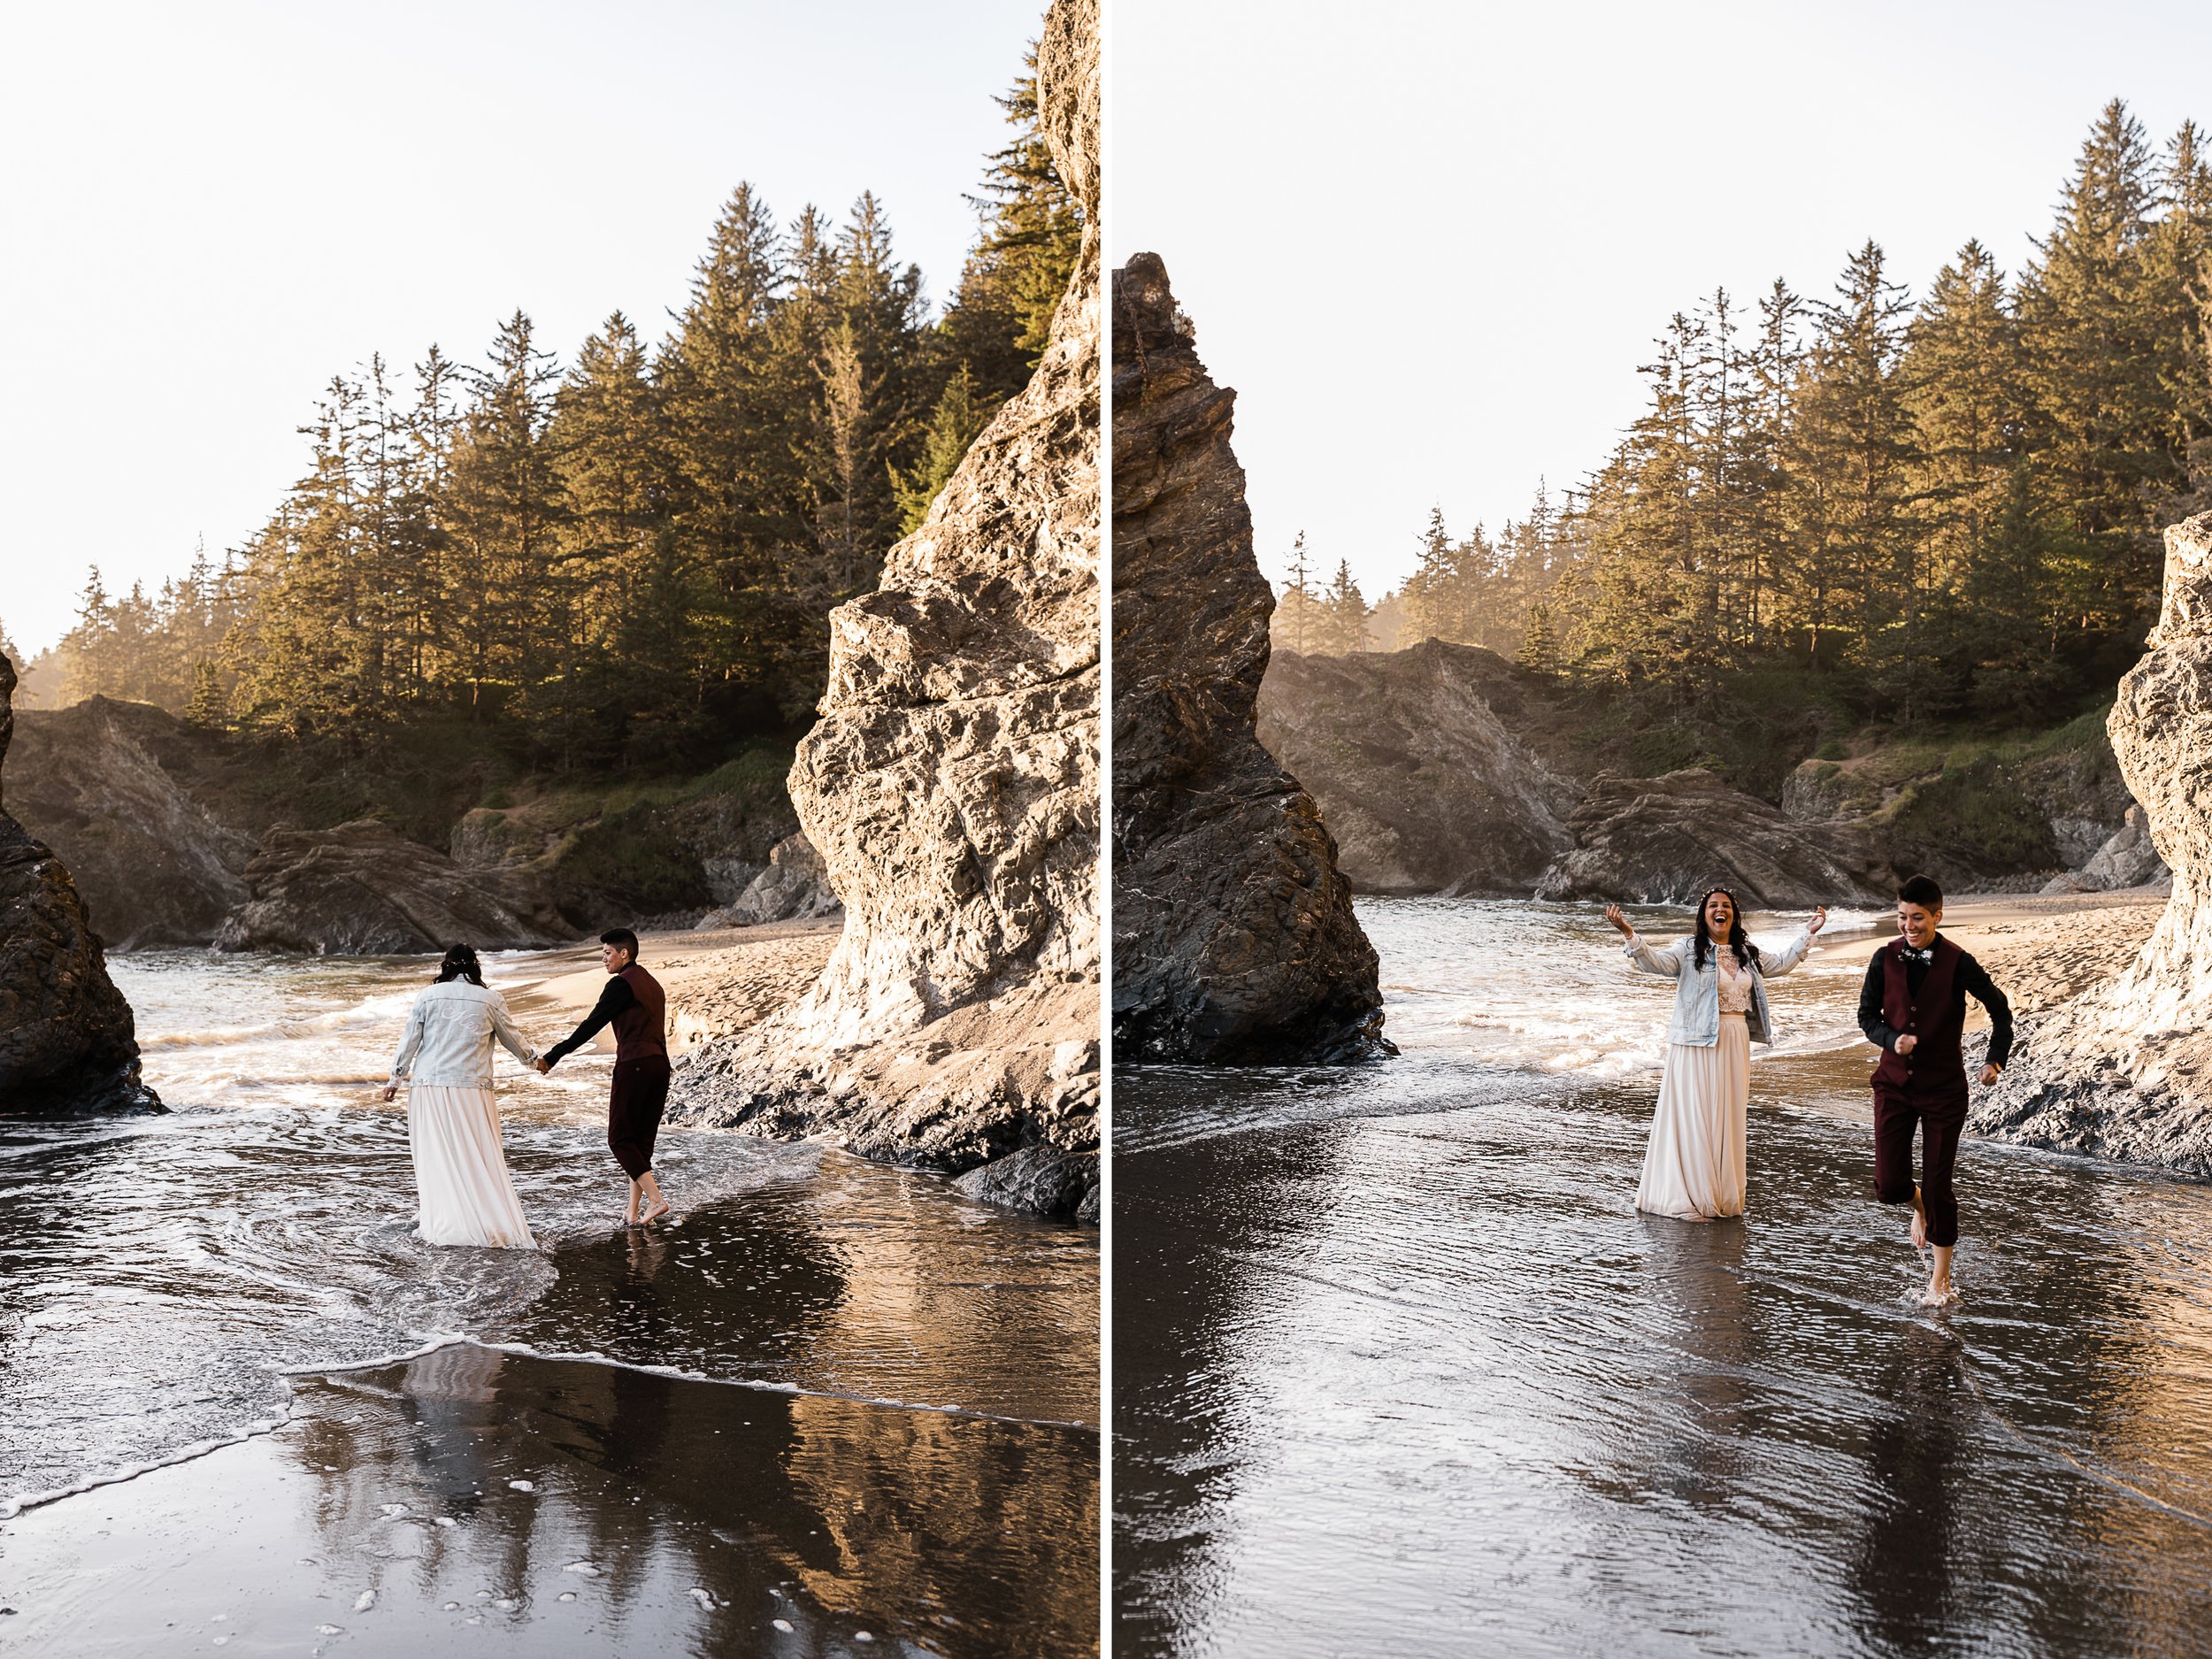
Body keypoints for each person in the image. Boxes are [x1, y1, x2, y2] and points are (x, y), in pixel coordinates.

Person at [1606, 889, 1827, 1220]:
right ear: (1704, 914)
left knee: (1727, 1116)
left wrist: (1807, 934)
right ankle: (1690, 1195)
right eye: (1713, 906)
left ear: (1734, 915)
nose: (1720, 910)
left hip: (1735, 1042)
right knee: (1697, 1115)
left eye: (1726, 906)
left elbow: (1780, 964)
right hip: (1695, 1043)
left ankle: (1720, 1193)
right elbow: (1657, 964)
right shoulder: (1688, 949)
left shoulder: (1747, 954)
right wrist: (1629, 933)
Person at [1856, 873, 2011, 1306]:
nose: (1908, 925)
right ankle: (1917, 1207)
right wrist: (1892, 1040)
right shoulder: (1882, 958)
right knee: (1889, 1186)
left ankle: (1939, 1281)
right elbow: (1867, 1016)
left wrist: (1994, 1059)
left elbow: (2000, 1011)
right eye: (1903, 917)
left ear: (1938, 916)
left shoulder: (1959, 961)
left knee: (1940, 1184)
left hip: (1944, 1090)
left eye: (1918, 918)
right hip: (1892, 1086)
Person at [382, 943, 540, 1249]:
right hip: (473, 1088)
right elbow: (513, 1039)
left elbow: (410, 1041)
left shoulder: (427, 996)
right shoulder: (490, 999)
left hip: (429, 1087)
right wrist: (534, 1061)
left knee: (436, 1154)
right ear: (475, 967)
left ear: (446, 966)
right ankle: (484, 1218)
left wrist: (395, 1078)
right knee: (479, 1153)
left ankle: (447, 1219)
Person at [536, 927, 672, 1227]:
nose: (603, 959)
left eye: (607, 953)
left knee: (620, 1140)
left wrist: (553, 1056)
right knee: (640, 1144)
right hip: (660, 1066)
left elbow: (590, 1027)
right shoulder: (652, 983)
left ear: (624, 953)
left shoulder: (620, 985)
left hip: (634, 1065)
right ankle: (633, 1212)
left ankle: (657, 1200)